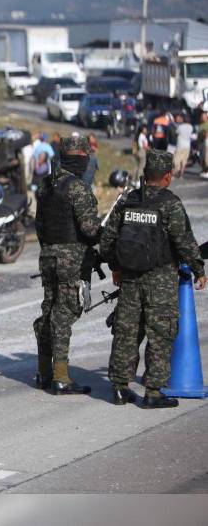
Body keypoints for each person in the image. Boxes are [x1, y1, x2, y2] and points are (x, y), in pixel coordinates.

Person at [101, 150, 206, 407]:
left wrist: (116, 267)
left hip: (130, 278)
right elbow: (184, 241)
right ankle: (153, 392)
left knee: (127, 331)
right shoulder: (170, 204)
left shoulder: (128, 201)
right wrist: (199, 270)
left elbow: (107, 240)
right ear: (167, 176)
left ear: (146, 173)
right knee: (160, 332)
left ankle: (119, 388)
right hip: (161, 280)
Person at [33, 135, 101, 395]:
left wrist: (50, 249)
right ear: (81, 158)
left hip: (48, 256)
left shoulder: (45, 185)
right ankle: (61, 377)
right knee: (64, 314)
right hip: (71, 258)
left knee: (49, 311)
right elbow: (89, 230)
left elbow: (39, 225)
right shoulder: (78, 188)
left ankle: (44, 373)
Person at [173, 112, 193, 179]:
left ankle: (174, 173)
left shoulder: (180, 127)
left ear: (183, 120)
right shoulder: (191, 127)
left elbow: (176, 134)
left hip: (180, 145)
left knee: (176, 160)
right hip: (187, 146)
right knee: (184, 161)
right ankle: (181, 175)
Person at [197, 110, 208, 180]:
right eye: (201, 116)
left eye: (204, 116)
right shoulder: (200, 125)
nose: (202, 118)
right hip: (200, 143)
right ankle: (204, 170)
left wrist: (205, 134)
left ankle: (207, 171)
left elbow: (206, 134)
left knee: (206, 158)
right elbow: (198, 135)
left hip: (206, 142)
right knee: (201, 158)